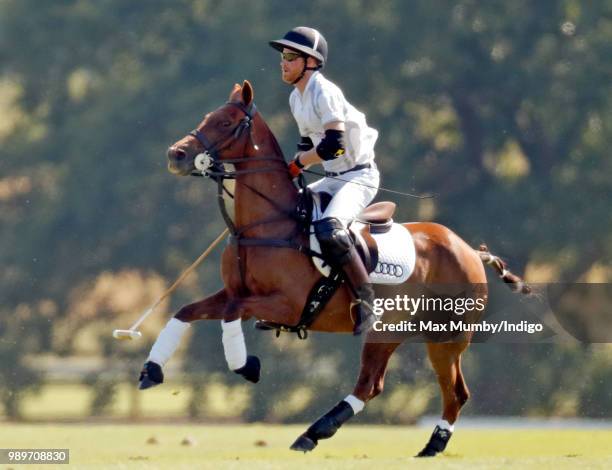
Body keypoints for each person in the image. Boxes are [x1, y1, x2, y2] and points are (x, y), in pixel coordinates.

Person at [269, 26, 380, 335]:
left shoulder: (324, 91)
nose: (284, 62)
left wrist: (300, 163)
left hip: (359, 176)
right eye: (283, 57)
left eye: (291, 57)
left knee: (330, 228)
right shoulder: (296, 98)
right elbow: (308, 144)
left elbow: (335, 145)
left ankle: (368, 302)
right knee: (288, 212)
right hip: (333, 177)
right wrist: (291, 168)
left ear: (311, 62)